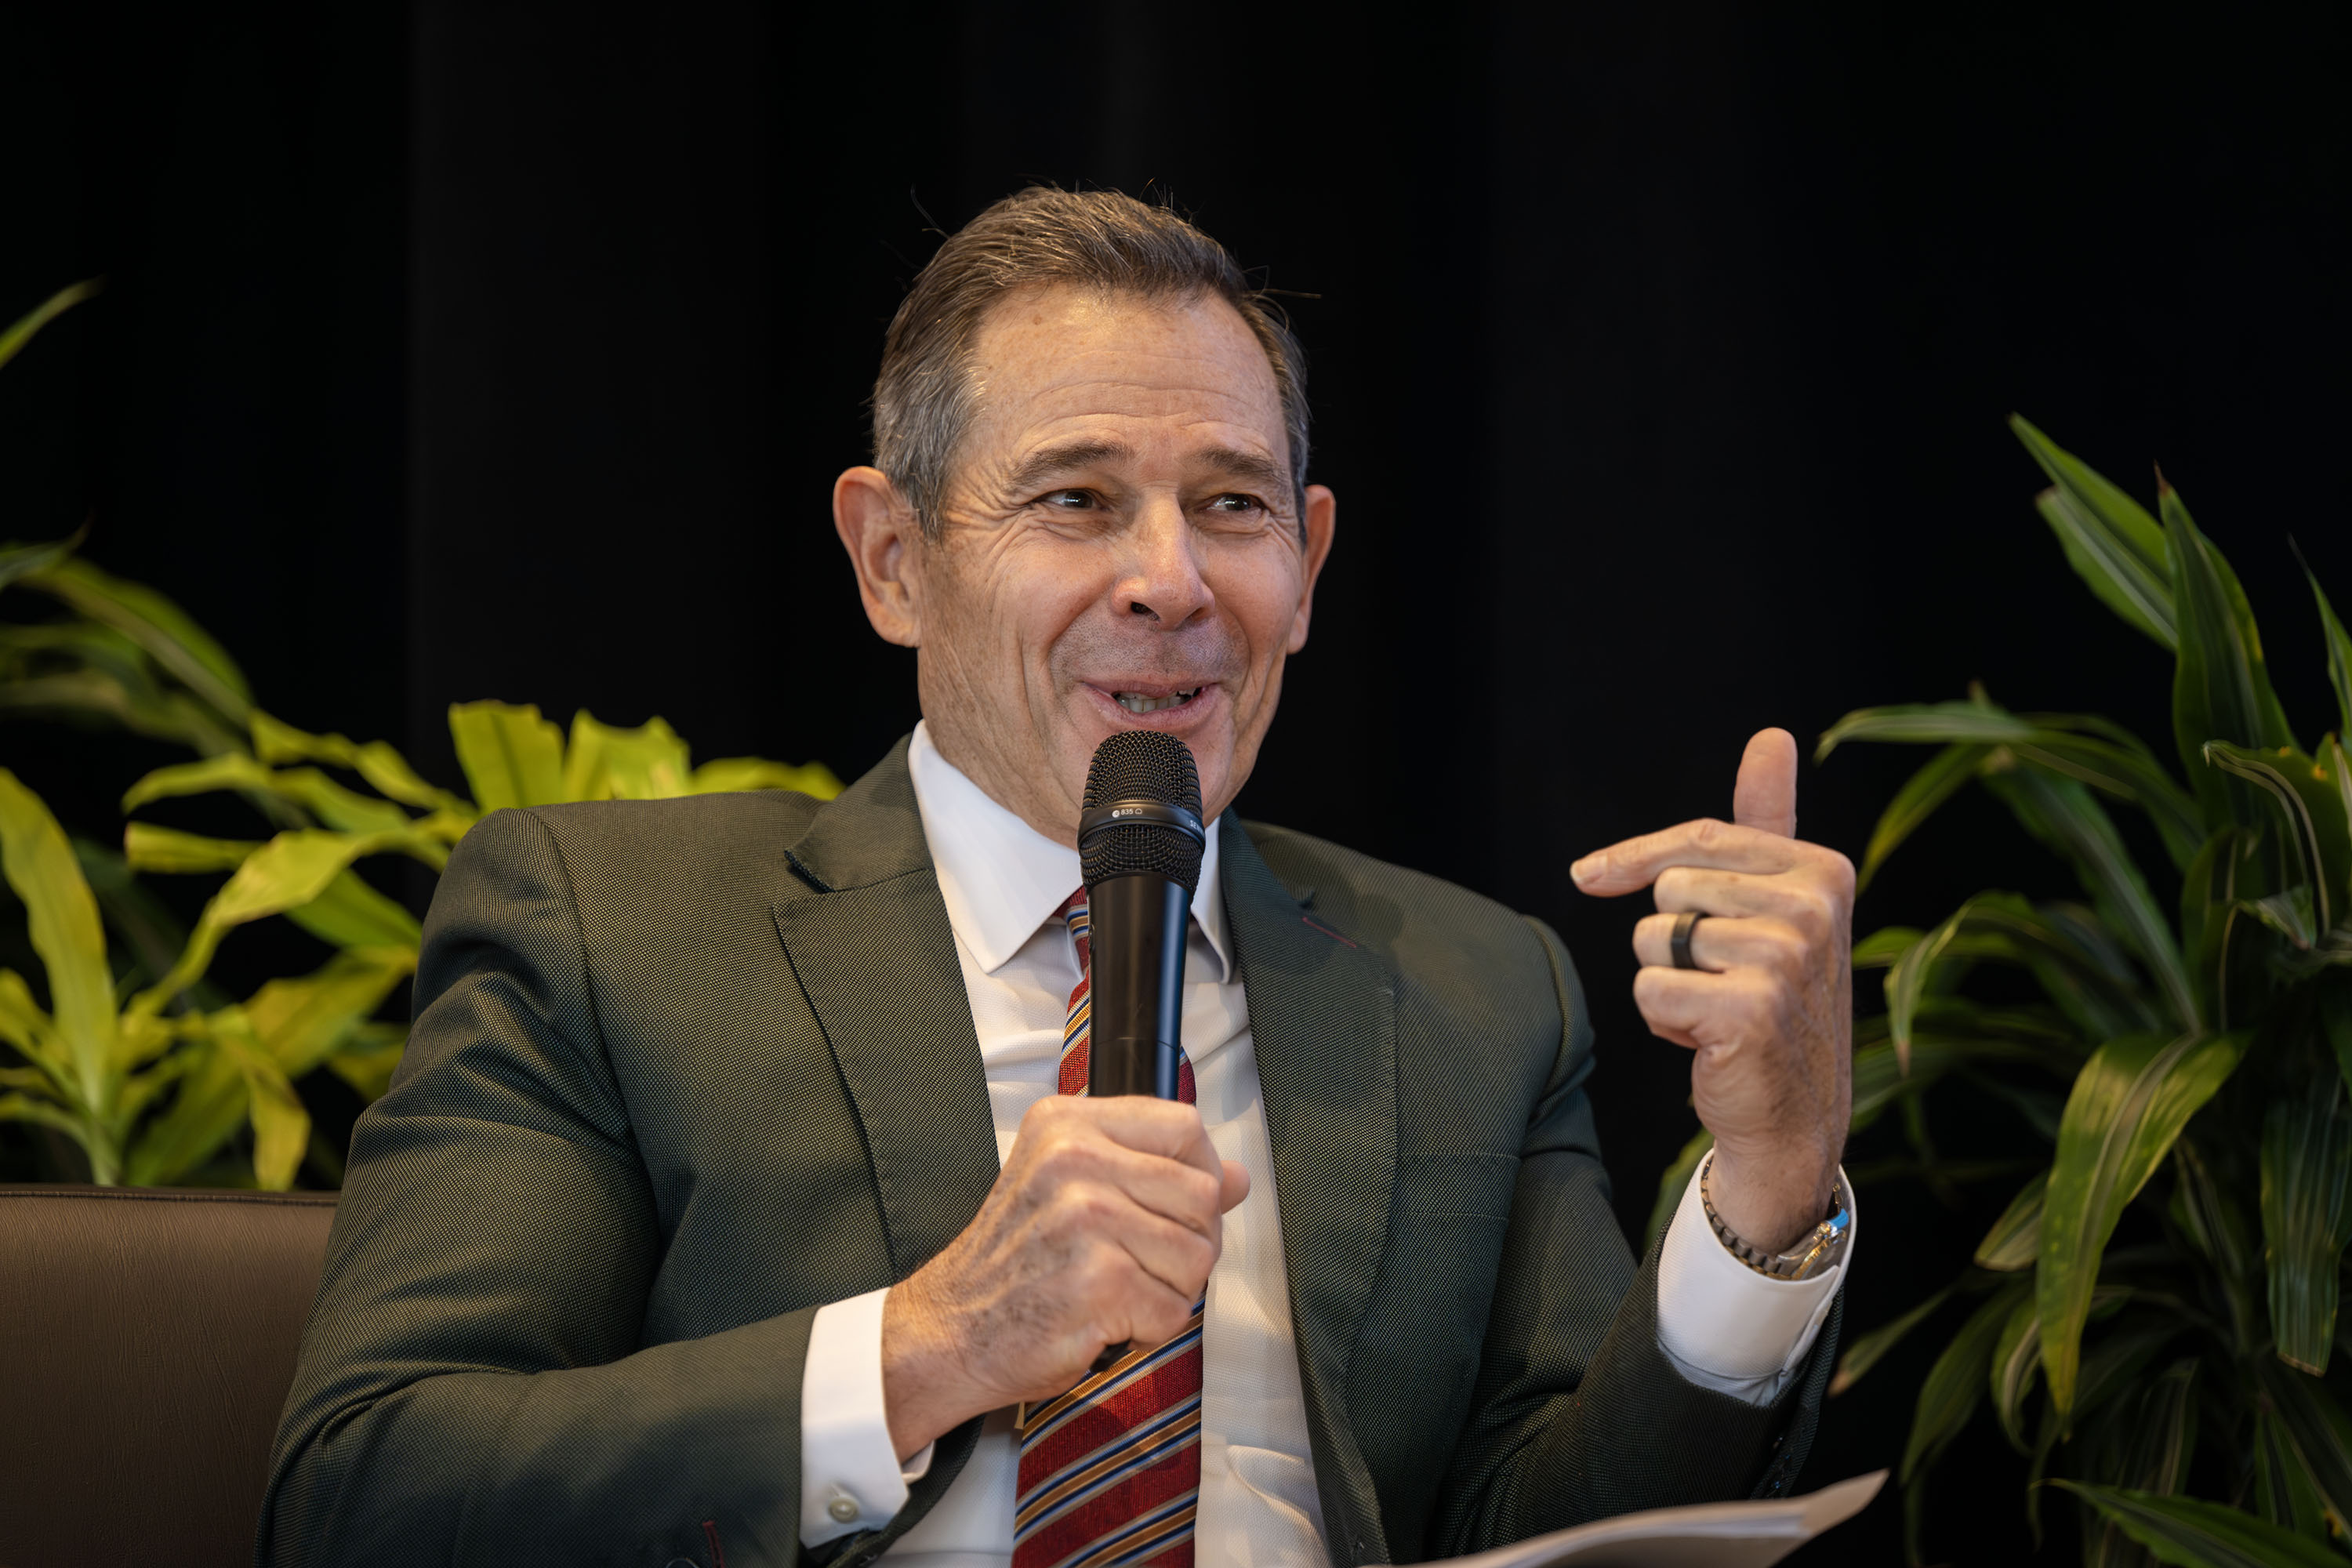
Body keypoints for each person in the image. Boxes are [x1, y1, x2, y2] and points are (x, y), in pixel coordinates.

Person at [260, 188, 1857, 1568]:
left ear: (1306, 564)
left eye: (1230, 505)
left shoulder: (1472, 993)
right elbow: (369, 1489)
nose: (1169, 581)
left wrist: (1766, 1197)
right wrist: (933, 1343)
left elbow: (1561, 1525)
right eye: (1077, 499)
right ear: (893, 559)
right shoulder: (612, 931)